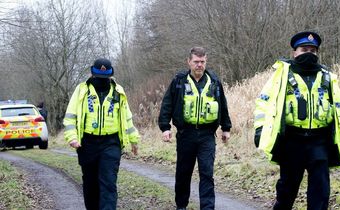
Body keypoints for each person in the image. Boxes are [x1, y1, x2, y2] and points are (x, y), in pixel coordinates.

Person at [253, 31, 340, 209]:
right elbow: (263, 103)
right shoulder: (281, 76)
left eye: (313, 51)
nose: (309, 53)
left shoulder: (328, 77)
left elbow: (339, 110)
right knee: (286, 191)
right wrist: (260, 129)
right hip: (292, 141)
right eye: (304, 49)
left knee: (320, 193)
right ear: (295, 52)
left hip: (319, 142)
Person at [158, 47, 232, 210]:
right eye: (196, 62)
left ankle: (207, 207)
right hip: (186, 134)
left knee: (207, 173)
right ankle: (181, 206)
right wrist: (165, 127)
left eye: (202, 61)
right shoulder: (179, 81)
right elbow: (167, 104)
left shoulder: (214, 81)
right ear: (189, 62)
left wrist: (226, 128)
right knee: (184, 173)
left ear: (206, 61)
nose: (199, 65)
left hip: (207, 135)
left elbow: (223, 106)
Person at [63, 58, 140, 210]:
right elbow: (70, 116)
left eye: (105, 77)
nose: (102, 80)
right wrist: (72, 137)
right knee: (91, 184)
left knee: (108, 183)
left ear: (111, 75)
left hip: (111, 143)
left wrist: (134, 140)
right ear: (92, 74)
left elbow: (127, 118)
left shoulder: (118, 92)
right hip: (87, 143)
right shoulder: (81, 91)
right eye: (99, 77)